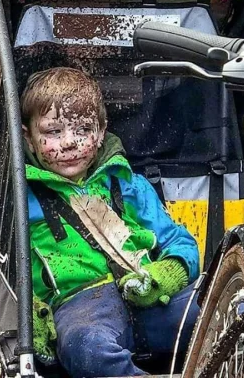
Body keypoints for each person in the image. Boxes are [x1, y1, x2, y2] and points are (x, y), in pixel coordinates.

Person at [21, 67, 200, 377]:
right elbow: (2, 268)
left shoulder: (130, 185)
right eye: (53, 132)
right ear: (29, 138)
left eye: (82, 131)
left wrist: (164, 276)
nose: (68, 144)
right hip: (80, 309)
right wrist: (28, 310)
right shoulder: (24, 198)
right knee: (86, 347)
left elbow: (180, 242)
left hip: (151, 299)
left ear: (101, 132)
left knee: (234, 308)